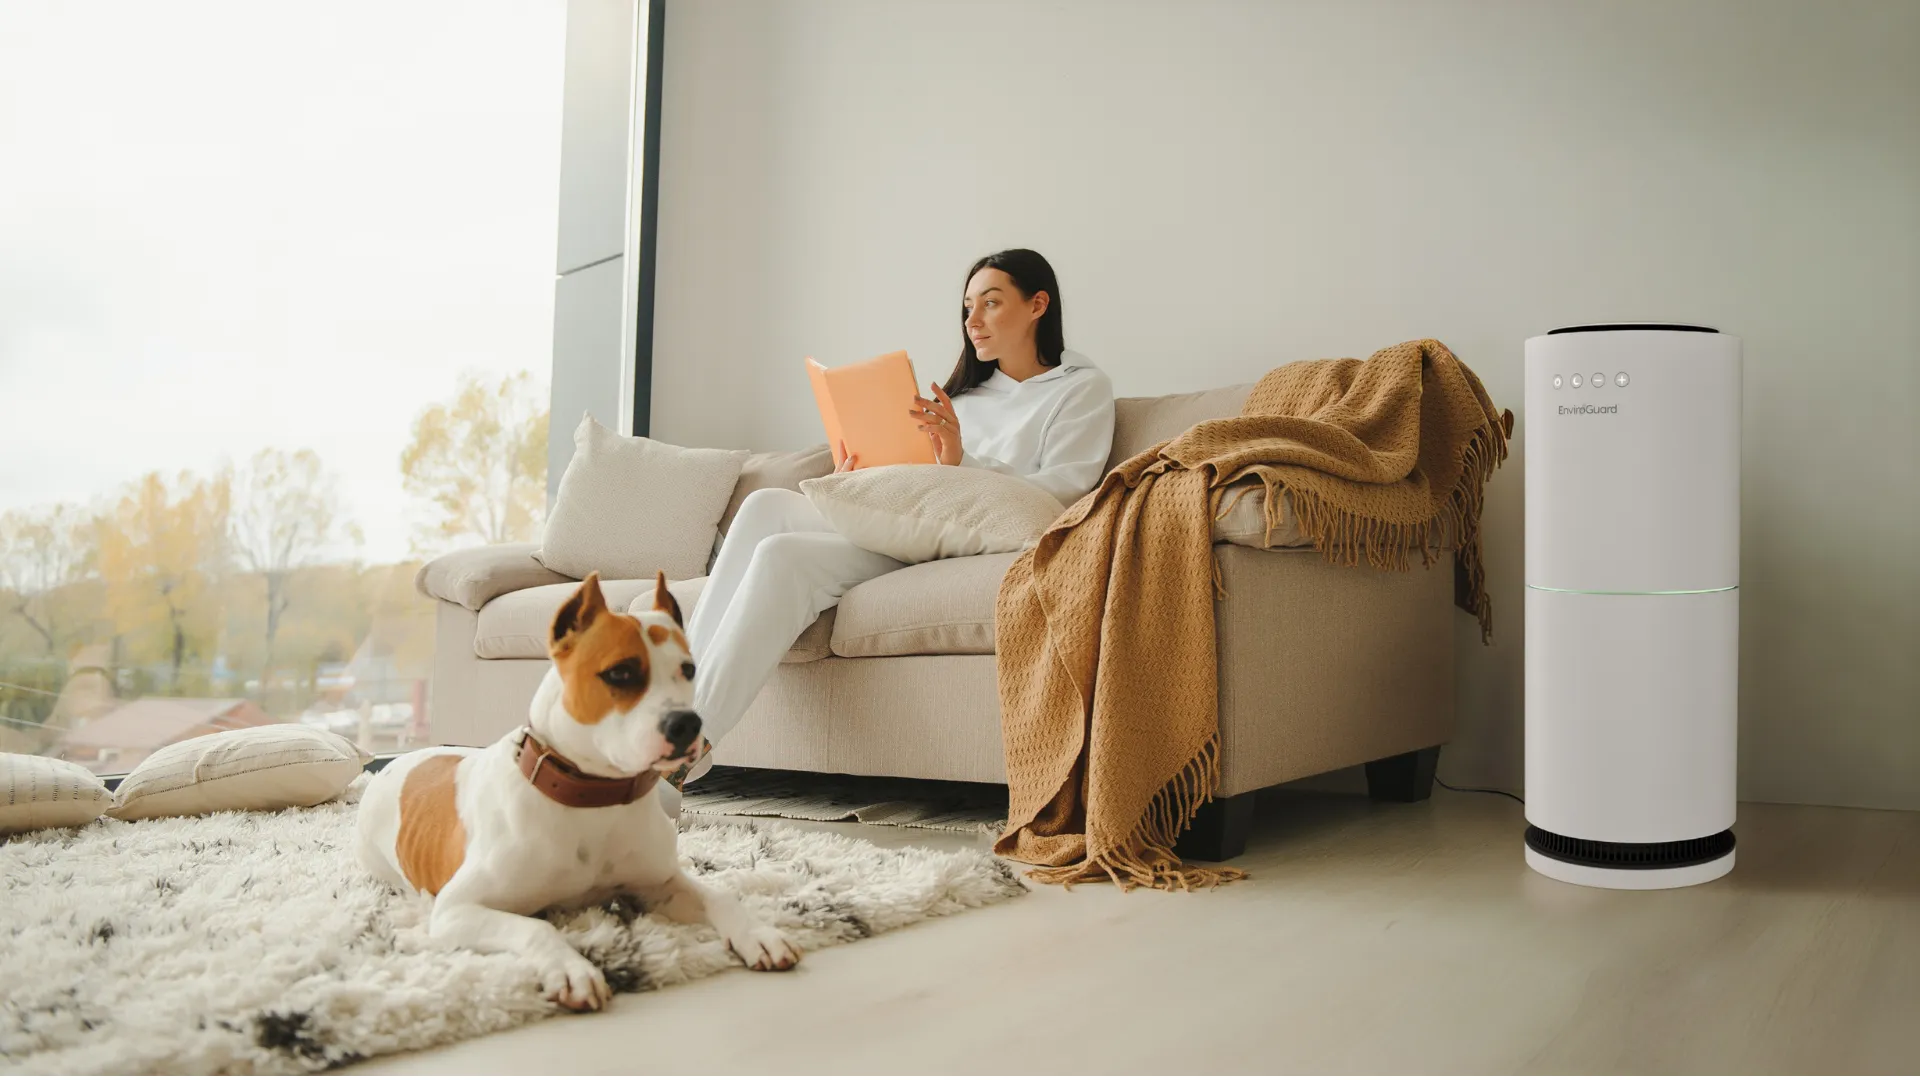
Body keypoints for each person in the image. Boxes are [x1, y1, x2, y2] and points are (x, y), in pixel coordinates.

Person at [676, 248, 1116, 790]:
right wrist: (860, 472)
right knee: (767, 514)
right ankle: (675, 721)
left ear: (1037, 305)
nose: (972, 320)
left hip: (974, 539)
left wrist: (961, 460)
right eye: (966, 307)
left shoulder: (1081, 388)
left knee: (782, 548)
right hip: (910, 528)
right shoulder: (963, 399)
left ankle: (679, 747)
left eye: (991, 303)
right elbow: (918, 479)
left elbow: (1066, 490)